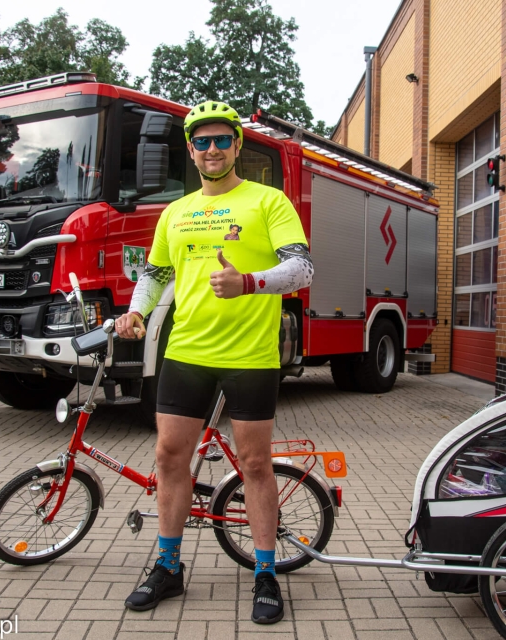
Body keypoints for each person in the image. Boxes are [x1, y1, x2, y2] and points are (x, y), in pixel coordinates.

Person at [114, 100, 314, 625]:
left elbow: (302, 268)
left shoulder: (268, 201)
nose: (211, 150)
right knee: (169, 458)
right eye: (201, 142)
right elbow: (155, 274)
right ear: (190, 150)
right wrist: (136, 313)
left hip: (249, 354)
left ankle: (265, 573)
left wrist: (249, 282)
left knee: (253, 464)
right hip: (186, 351)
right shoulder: (175, 213)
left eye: (221, 139)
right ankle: (168, 566)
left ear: (237, 145)